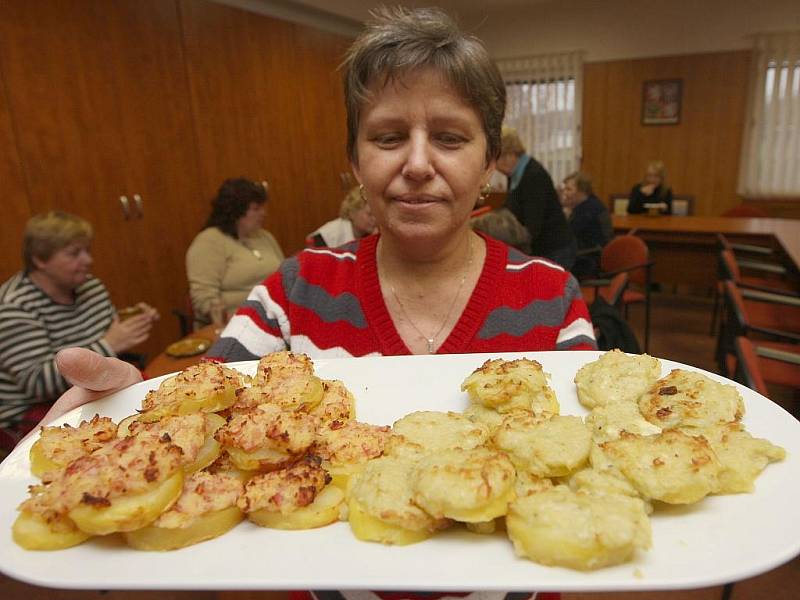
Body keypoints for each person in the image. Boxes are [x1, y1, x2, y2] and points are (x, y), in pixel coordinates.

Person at [24, 8, 595, 599]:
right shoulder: (291, 292)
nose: (418, 165)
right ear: (354, 161)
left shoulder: (552, 296)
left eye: (450, 138)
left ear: (488, 165)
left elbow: (586, 457)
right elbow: (206, 416)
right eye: (388, 137)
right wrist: (127, 407)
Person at [0, 211, 157, 442]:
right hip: (32, 410)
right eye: (74, 253)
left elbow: (106, 335)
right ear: (40, 260)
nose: (88, 260)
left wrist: (130, 321)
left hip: (92, 387)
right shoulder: (13, 306)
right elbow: (37, 384)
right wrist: (111, 344)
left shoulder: (90, 286)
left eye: (87, 250)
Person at [186, 178, 284, 326]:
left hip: (277, 316)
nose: (263, 213)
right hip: (239, 323)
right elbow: (204, 298)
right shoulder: (209, 242)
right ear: (236, 211)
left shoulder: (264, 236)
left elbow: (285, 275)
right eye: (256, 209)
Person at [495, 127, 577, 269]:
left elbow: (533, 226)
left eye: (497, 159)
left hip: (554, 248)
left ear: (509, 154)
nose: (495, 166)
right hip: (544, 246)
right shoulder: (515, 174)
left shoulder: (533, 175)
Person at [561, 171, 613, 278]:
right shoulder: (589, 204)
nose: (565, 193)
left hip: (590, 261)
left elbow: (566, 235)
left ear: (582, 191)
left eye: (569, 189)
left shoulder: (588, 210)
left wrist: (565, 216)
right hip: (586, 255)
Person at [306, 185, 377, 247]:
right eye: (370, 214)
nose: (374, 219)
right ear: (352, 213)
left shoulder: (369, 233)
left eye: (375, 214)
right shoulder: (325, 236)